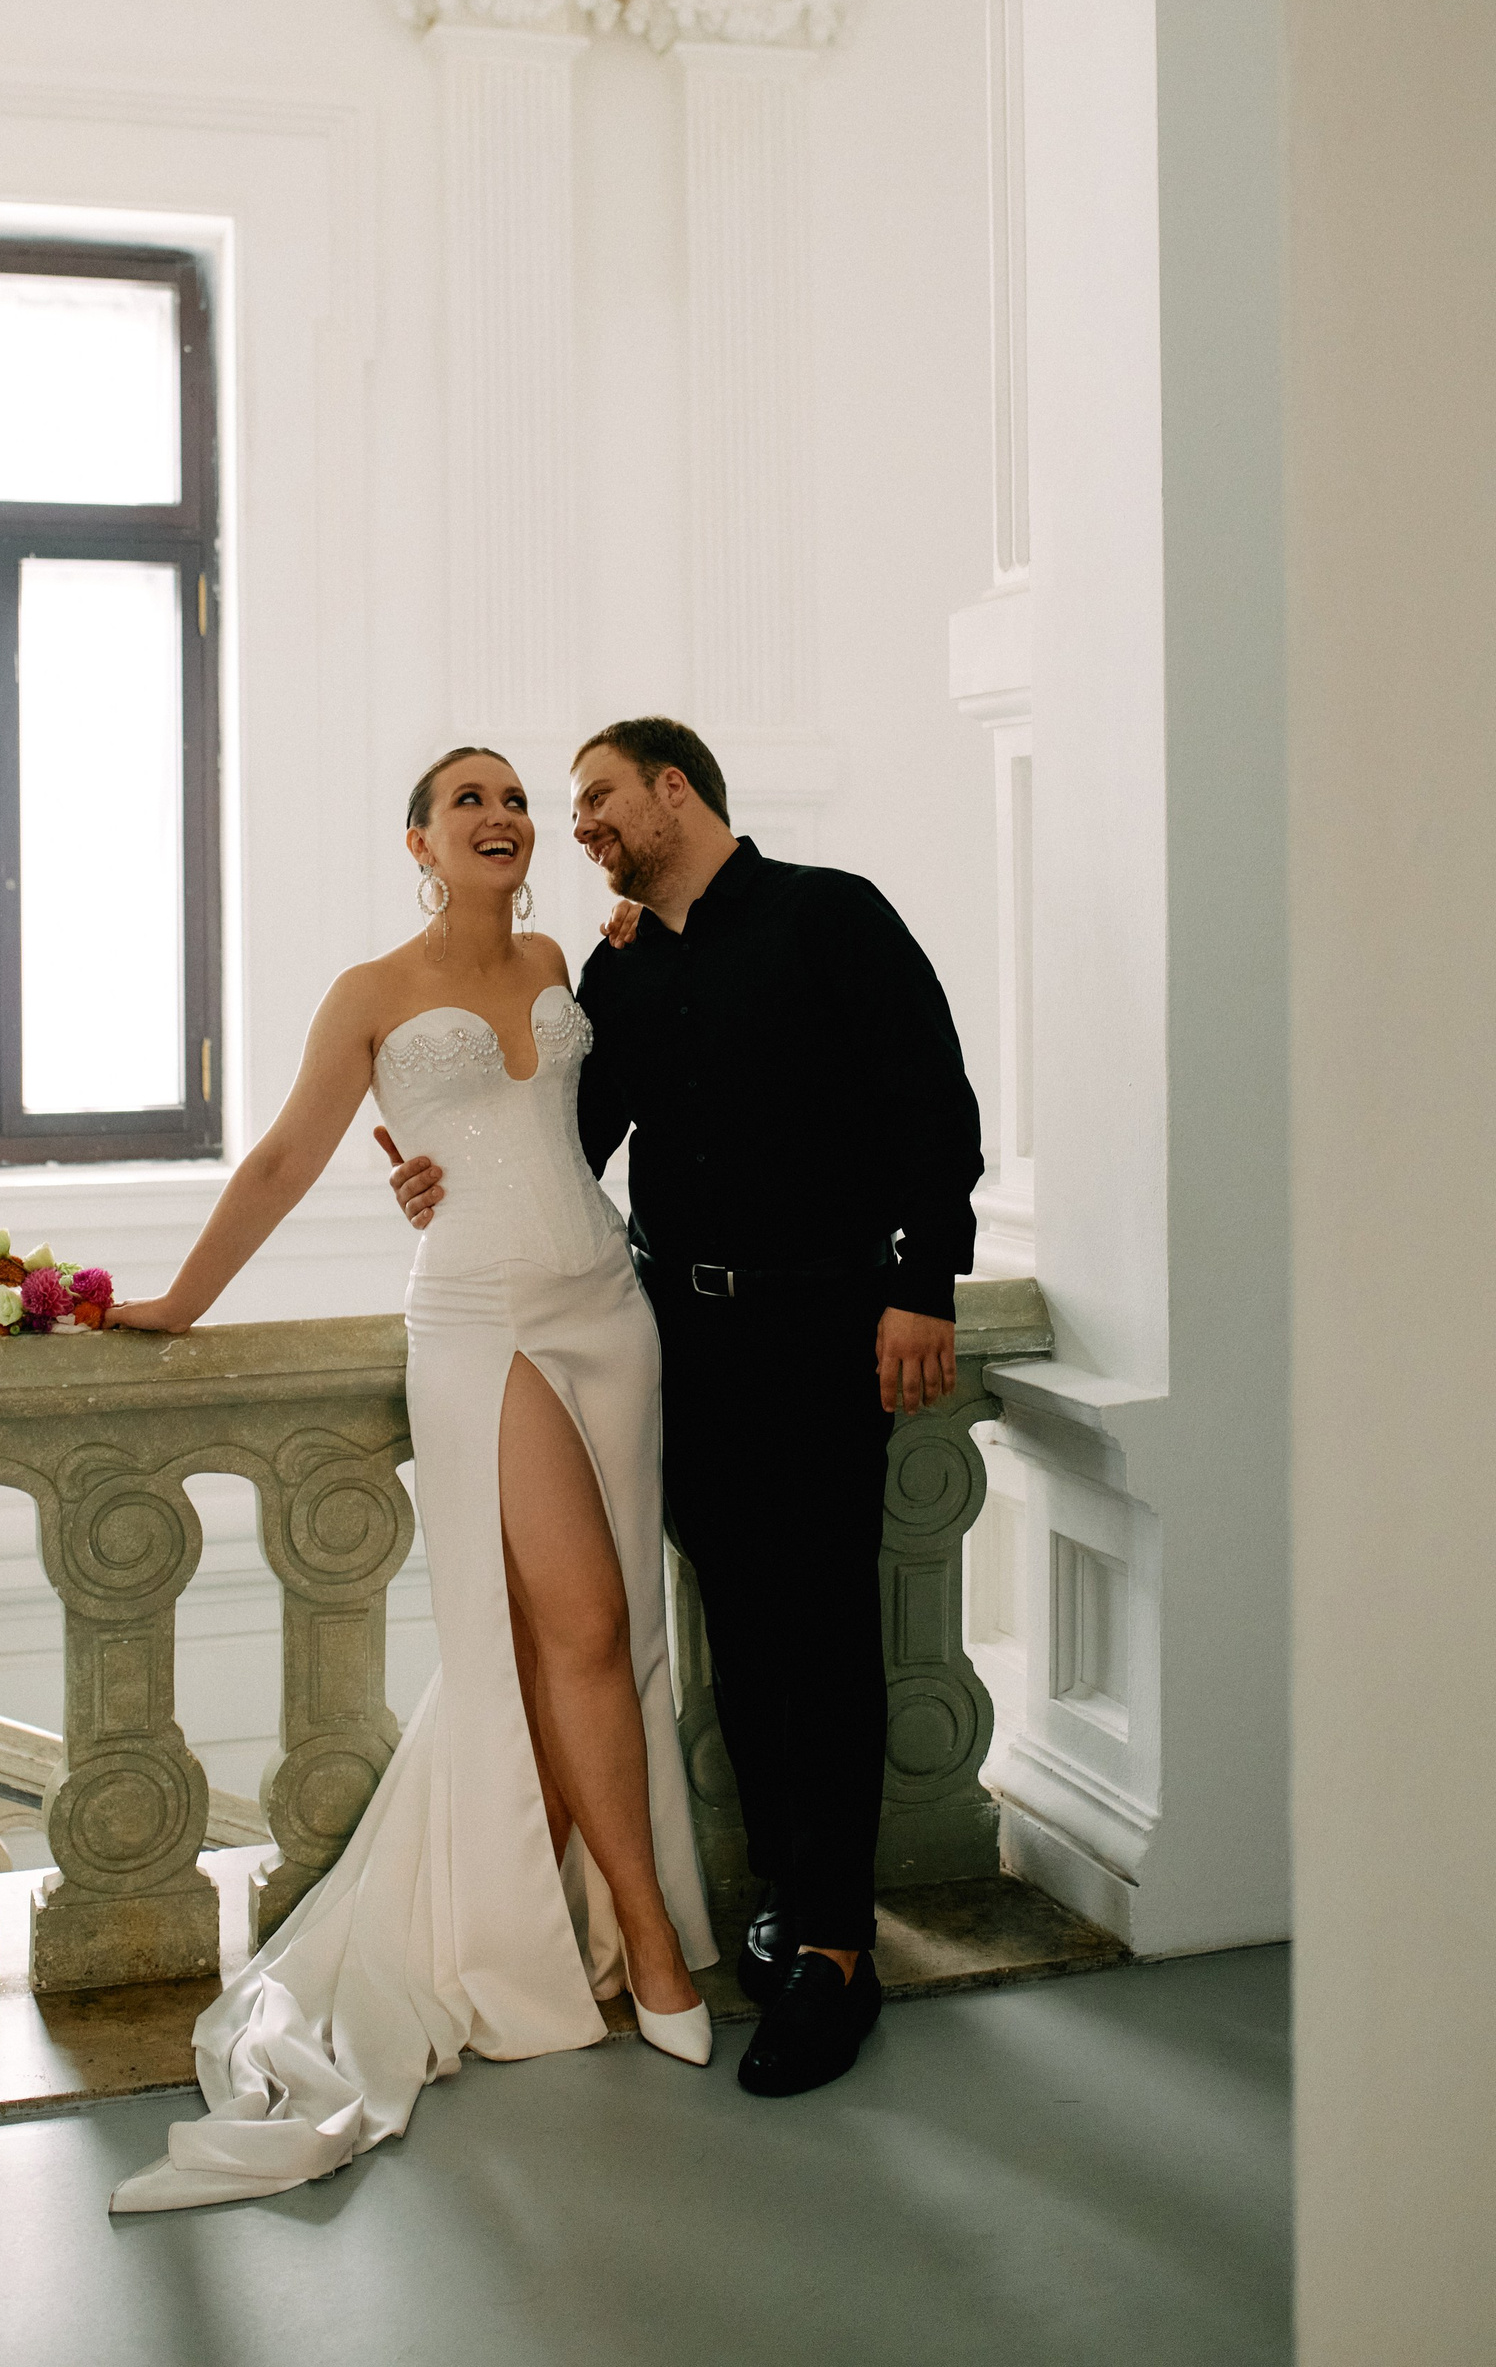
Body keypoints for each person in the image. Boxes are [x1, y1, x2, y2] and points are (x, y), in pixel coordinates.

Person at [105, 745, 716, 2215]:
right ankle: (648, 1944)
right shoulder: (371, 994)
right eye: (469, 802)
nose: (502, 817)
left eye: (516, 801)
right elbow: (281, 1159)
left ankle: (545, 1910)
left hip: (610, 1307)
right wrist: (180, 1302)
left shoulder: (571, 959)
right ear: (419, 845)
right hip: (482, 1318)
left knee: (613, 1629)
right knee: (575, 1622)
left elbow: (573, 1125)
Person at [386, 718, 982, 2100]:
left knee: (823, 1624)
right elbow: (562, 1139)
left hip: (826, 1326)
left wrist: (925, 1286)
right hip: (672, 1337)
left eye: (595, 795)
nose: (578, 822)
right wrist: (438, 1175)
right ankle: (786, 1901)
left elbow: (930, 1100)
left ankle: (837, 1950)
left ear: (674, 789)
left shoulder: (831, 915)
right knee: (741, 1629)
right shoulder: (620, 969)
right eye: (570, 805)